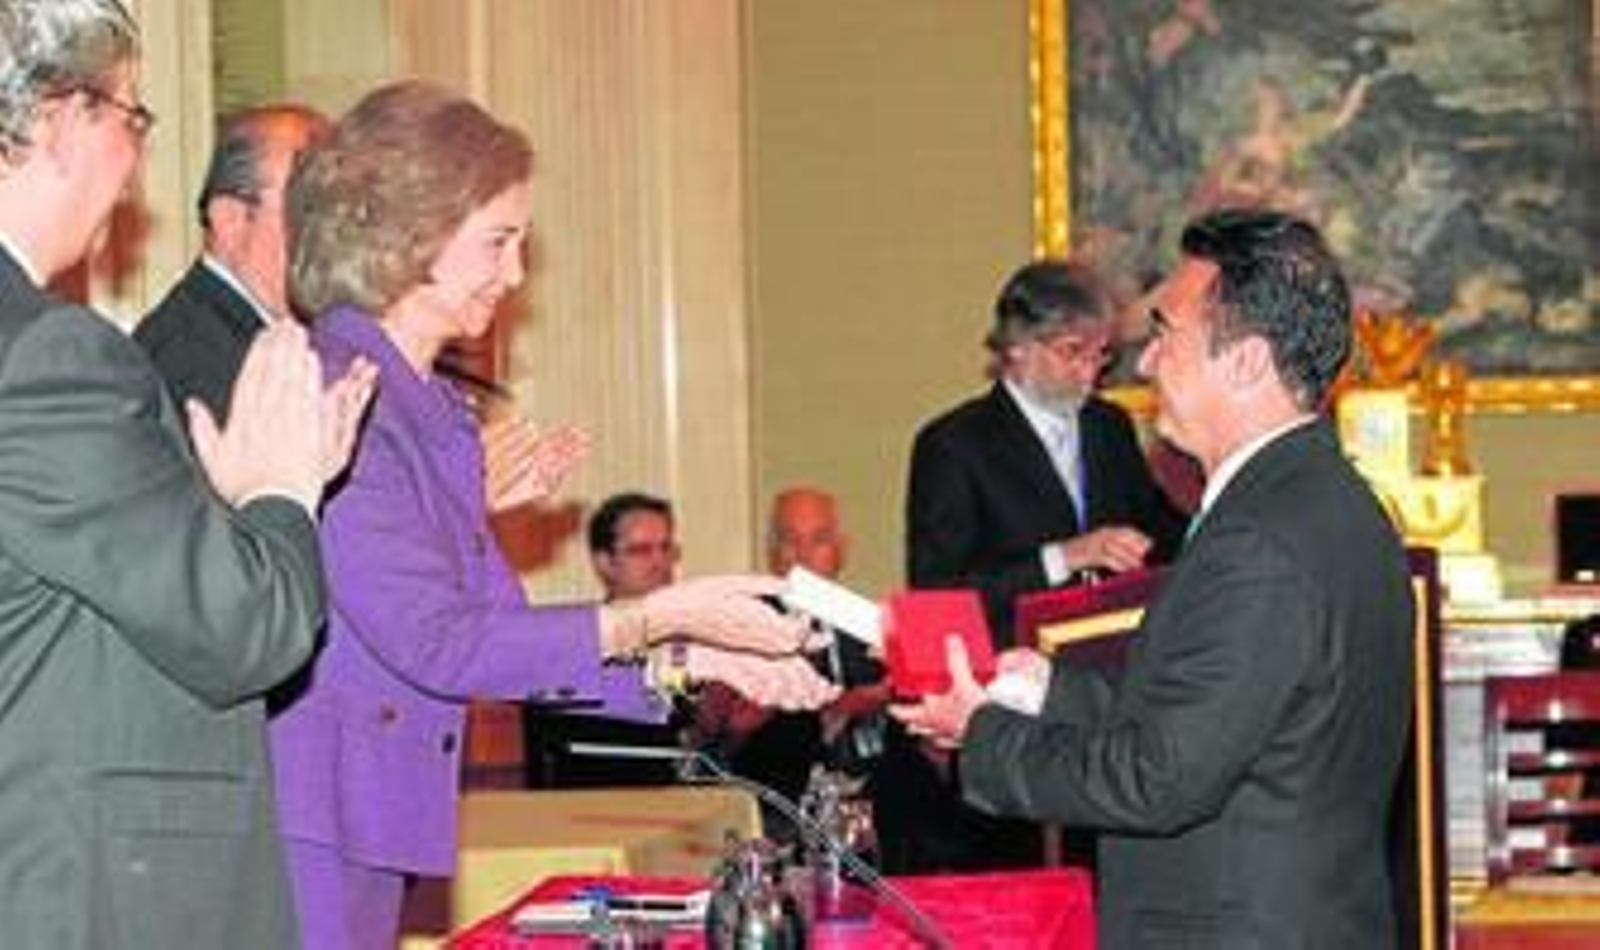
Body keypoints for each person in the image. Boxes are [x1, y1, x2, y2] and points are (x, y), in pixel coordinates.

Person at [267, 80, 835, 949]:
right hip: (314, 817)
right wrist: (660, 613)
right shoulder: (335, 385)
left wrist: (688, 658)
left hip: (368, 810)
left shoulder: (428, 410)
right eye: (498, 241)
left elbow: (504, 638)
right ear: (405, 231)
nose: (516, 273)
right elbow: (442, 644)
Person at [896, 208, 1415, 948]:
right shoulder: (1319, 501)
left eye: (1166, 333)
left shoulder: (1263, 538)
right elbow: (1209, 708)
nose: (1142, 364)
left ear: (1246, 362)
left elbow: (1156, 777)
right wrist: (1047, 688)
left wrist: (979, 733)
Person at [0, 3, 376, 948]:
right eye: (131, 119)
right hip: (85, 891)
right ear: (55, 119)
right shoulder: (47, 356)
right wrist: (281, 491)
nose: (134, 167)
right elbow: (252, 628)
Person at [889, 258, 1185, 872]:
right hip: (1007, 704)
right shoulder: (953, 444)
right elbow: (940, 594)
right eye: (1073, 351)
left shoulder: (1108, 428)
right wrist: (1062, 558)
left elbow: (1160, 529)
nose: (1090, 371)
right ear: (1017, 350)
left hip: (1104, 700)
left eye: (1102, 355)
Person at [692, 487, 890, 830]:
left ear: (841, 550)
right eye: (790, 541)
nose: (804, 555)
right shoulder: (741, 627)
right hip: (771, 808)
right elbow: (715, 739)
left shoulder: (871, 625)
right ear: (772, 552)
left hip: (866, 809)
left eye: (819, 540)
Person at [136, 103, 329, 417]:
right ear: (231, 218)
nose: (333, 233)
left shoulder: (271, 339)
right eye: (309, 207)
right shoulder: (192, 361)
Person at [525, 491, 691, 788]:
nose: (660, 562)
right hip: (593, 804)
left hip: (683, 803)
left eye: (666, 548)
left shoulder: (688, 638)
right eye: (641, 550)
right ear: (604, 562)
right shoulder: (576, 642)